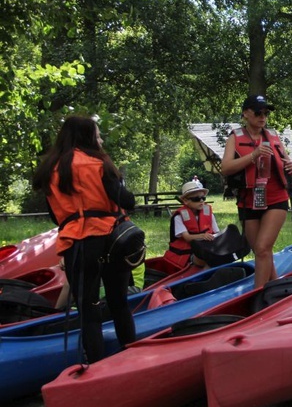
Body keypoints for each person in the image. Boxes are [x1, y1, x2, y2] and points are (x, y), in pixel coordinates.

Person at [32, 115, 137, 363]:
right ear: (87, 137)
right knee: (118, 302)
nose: (100, 139)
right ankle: (132, 356)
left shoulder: (49, 169)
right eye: (98, 134)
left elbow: (55, 216)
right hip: (111, 238)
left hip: (76, 244)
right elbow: (126, 201)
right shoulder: (98, 163)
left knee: (87, 310)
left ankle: (96, 364)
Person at [221, 95, 292, 287]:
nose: (262, 117)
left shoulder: (272, 135)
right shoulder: (235, 137)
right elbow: (226, 168)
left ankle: (259, 297)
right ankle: (276, 288)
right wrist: (253, 156)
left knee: (263, 248)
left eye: (266, 113)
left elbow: (286, 161)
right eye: (258, 112)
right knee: (260, 251)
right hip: (248, 200)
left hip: (276, 197)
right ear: (246, 114)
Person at [162, 180, 220, 269]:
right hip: (187, 252)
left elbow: (217, 232)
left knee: (220, 258)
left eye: (203, 198)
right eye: (196, 199)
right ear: (185, 201)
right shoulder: (179, 216)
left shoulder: (208, 213)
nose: (201, 201)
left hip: (206, 249)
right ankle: (204, 279)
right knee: (209, 261)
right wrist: (202, 236)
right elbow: (187, 238)